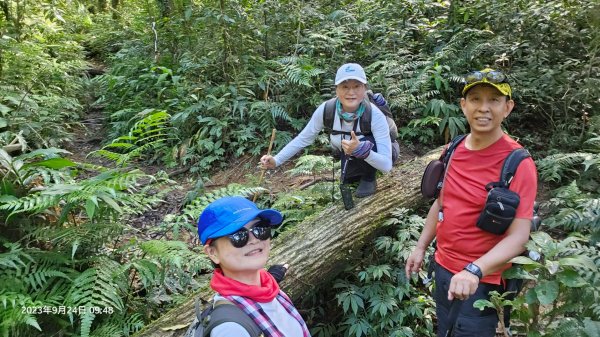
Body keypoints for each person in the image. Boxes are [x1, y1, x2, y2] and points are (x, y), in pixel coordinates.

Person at [405, 68, 538, 336]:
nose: (483, 108)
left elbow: (520, 236)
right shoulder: (453, 148)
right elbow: (441, 204)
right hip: (442, 268)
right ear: (464, 106)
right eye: (475, 99)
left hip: (483, 281)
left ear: (507, 107)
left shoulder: (518, 164)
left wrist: (474, 270)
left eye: (494, 100)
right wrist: (420, 247)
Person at [260, 63, 393, 197]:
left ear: (364, 89)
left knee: (367, 142)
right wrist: (276, 160)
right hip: (346, 154)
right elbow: (303, 139)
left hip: (375, 152)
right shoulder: (327, 110)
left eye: (357, 86)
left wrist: (362, 151)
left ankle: (369, 178)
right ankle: (356, 170)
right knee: (349, 180)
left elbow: (387, 166)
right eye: (345, 86)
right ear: (337, 90)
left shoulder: (374, 114)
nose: (351, 92)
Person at [198, 196, 311, 337]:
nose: (254, 239)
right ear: (213, 253)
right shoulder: (230, 329)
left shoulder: (271, 290)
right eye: (238, 235)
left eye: (260, 228)